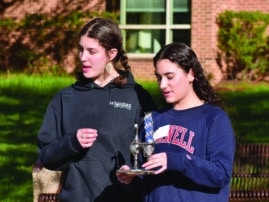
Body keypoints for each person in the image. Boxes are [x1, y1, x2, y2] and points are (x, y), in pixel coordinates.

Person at [37, 17, 156, 202]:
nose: (83, 57)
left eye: (92, 51)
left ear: (112, 53)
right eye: (81, 49)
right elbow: (46, 158)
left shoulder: (137, 97)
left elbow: (153, 153)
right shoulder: (65, 98)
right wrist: (72, 142)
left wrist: (135, 174)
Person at [117, 42, 236, 202]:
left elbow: (220, 175)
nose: (162, 85)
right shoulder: (152, 120)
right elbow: (146, 175)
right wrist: (131, 177)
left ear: (191, 74)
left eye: (170, 76)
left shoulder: (214, 118)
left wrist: (177, 161)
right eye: (159, 78)